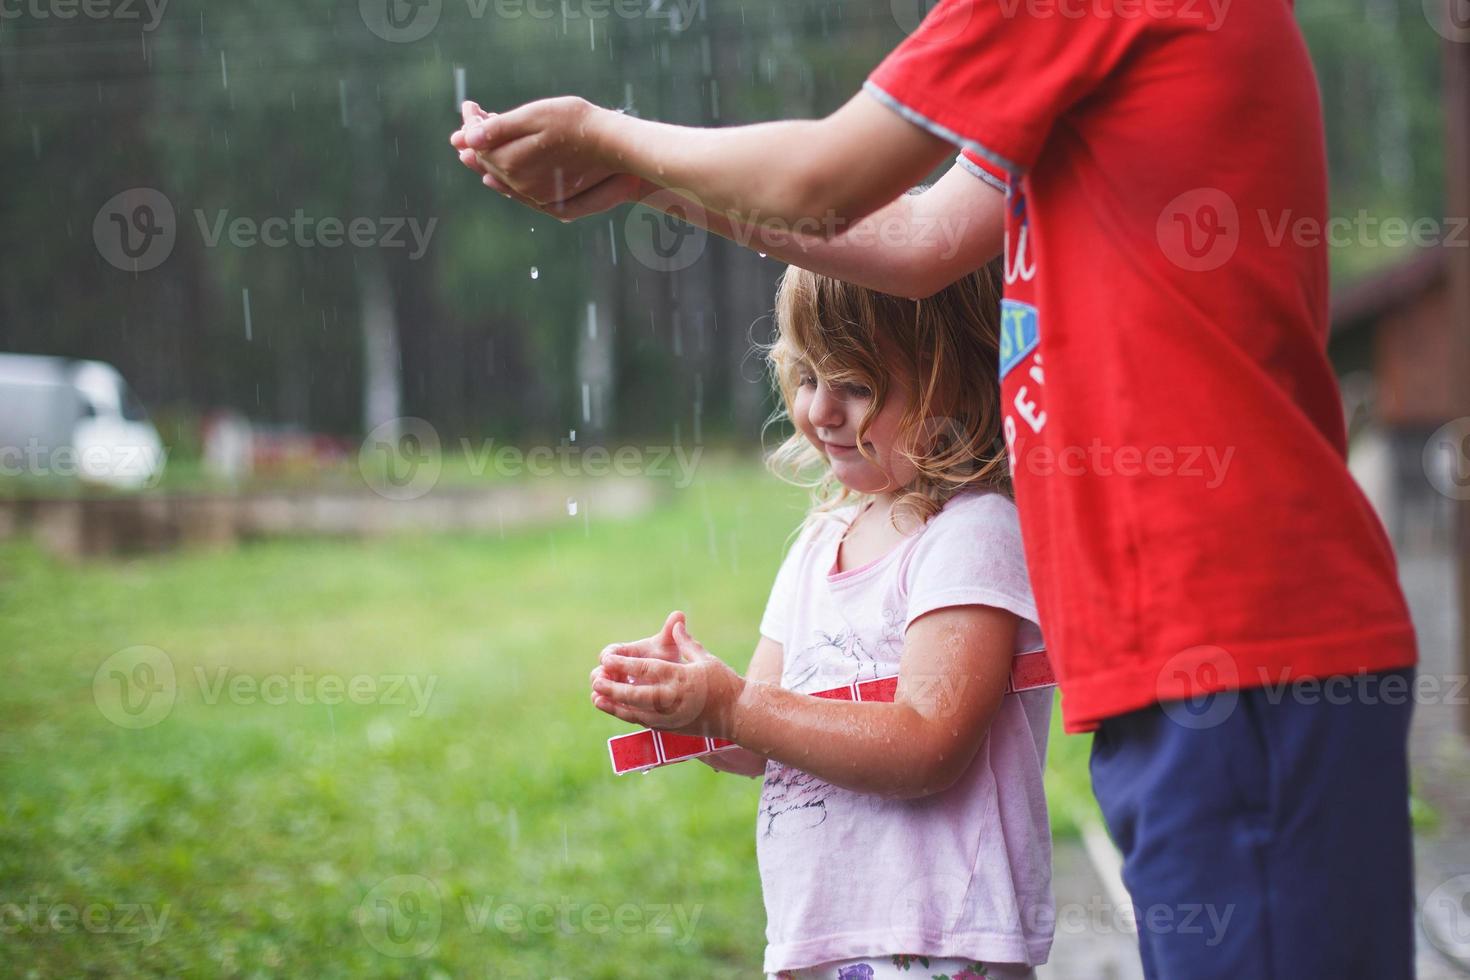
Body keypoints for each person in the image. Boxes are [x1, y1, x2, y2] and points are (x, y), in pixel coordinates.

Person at [454, 0, 1421, 974]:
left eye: (859, 382)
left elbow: (823, 178)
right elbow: (922, 241)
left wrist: (604, 132)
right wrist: (640, 180)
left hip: (1235, 631)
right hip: (1191, 644)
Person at [590, 256, 1053, 979]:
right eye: (806, 376)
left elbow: (928, 745)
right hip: (819, 934)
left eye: (858, 386)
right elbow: (759, 742)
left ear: (956, 382)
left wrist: (735, 705)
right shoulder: (816, 545)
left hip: (939, 940)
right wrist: (694, 709)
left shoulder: (972, 534)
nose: (820, 411)